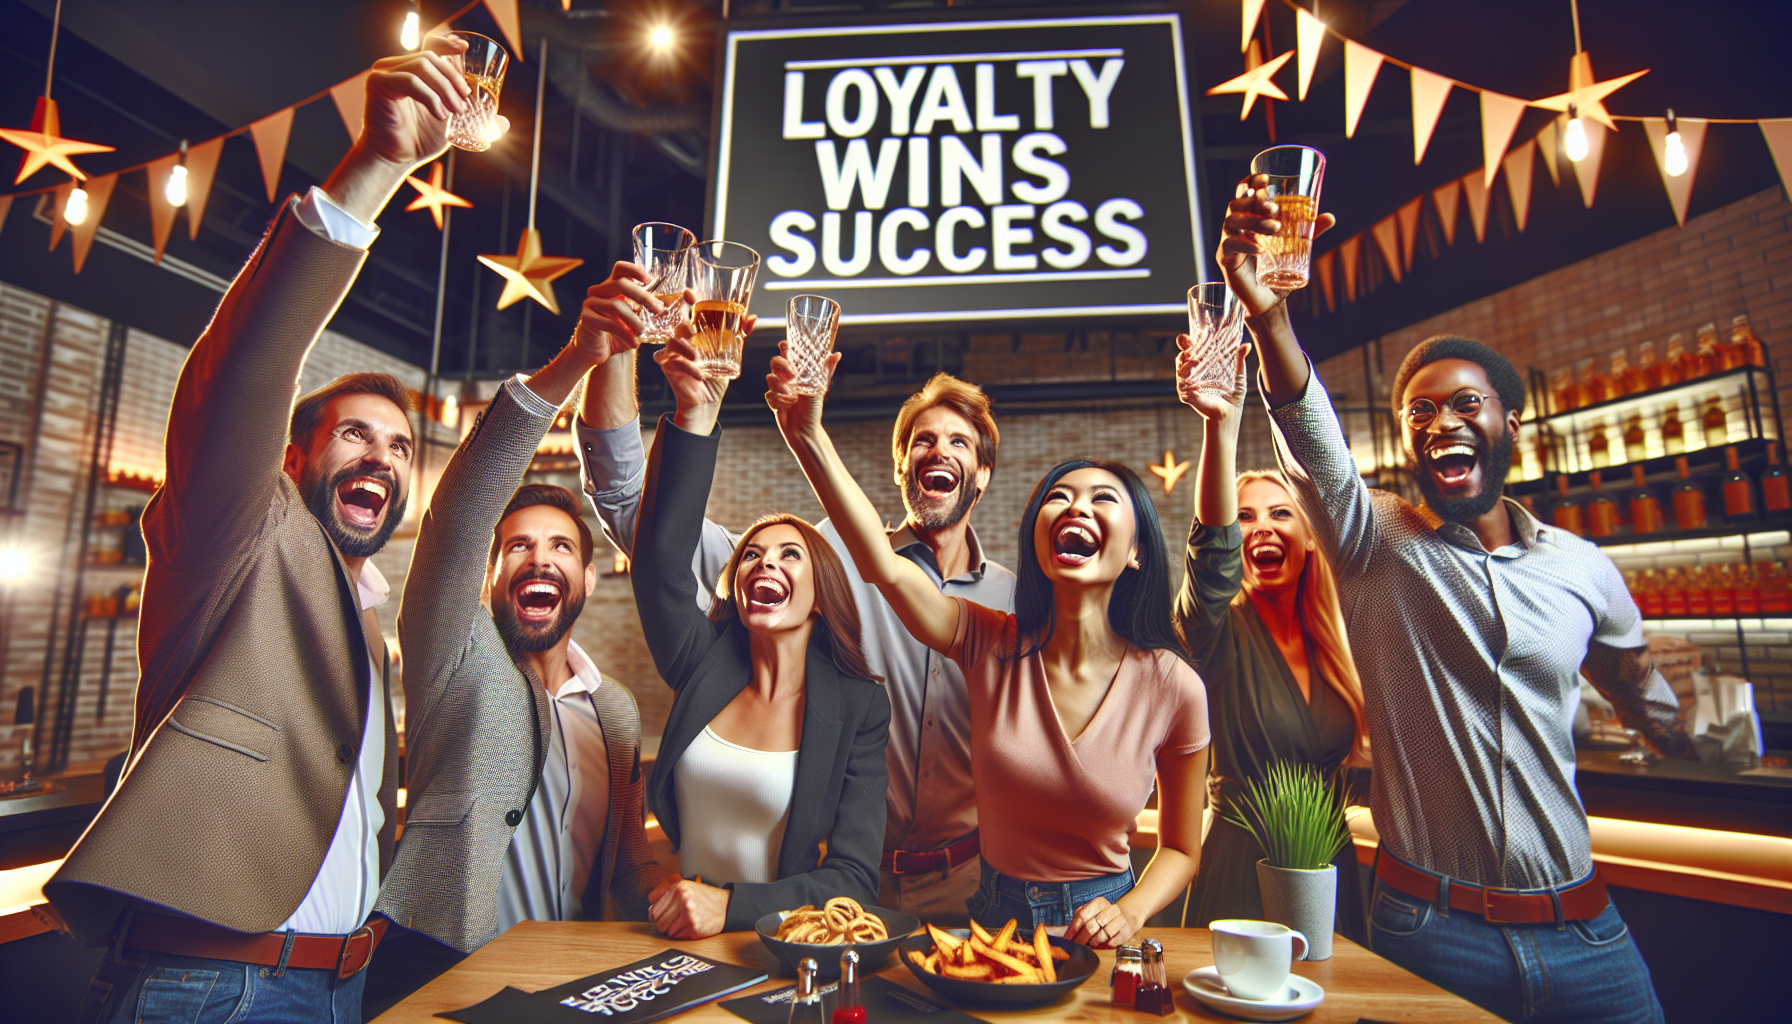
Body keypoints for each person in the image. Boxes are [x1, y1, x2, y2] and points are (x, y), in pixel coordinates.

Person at [45, 36, 474, 1024]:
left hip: (339, 985)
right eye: (352, 437)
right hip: (212, 987)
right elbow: (235, 379)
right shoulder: (243, 532)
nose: (380, 457)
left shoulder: (363, 612)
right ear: (290, 460)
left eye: (401, 447)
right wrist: (372, 169)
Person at [1220, 174, 1690, 1024]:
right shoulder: (1376, 542)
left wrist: (1688, 737)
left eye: (1466, 403)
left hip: (1588, 933)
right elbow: (1307, 426)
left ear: (1511, 423)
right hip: (1429, 929)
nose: (1443, 421)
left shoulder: (1584, 568)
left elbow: (1635, 679)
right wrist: (1269, 316)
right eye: (1420, 411)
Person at [771, 348, 1210, 948]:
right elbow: (884, 567)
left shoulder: (1173, 685)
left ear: (1136, 549)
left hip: (1102, 925)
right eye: (1060, 496)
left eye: (1103, 499)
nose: (1077, 505)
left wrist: (1131, 912)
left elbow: (1183, 847)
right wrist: (807, 436)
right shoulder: (989, 641)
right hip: (990, 914)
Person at [575, 349, 1013, 928]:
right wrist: (677, 400)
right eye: (922, 442)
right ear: (902, 467)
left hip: (969, 875)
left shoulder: (1011, 601)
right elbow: (659, 549)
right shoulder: (824, 556)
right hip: (832, 883)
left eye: (960, 443)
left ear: (982, 473)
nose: (939, 451)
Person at [363, 278, 668, 1014]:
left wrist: (678, 907)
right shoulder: (453, 653)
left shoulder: (614, 711)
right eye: (519, 548)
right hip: (439, 970)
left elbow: (627, 865)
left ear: (589, 580)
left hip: (571, 981)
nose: (540, 560)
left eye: (561, 547)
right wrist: (576, 359)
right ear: (491, 572)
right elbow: (459, 518)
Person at [630, 334, 890, 939]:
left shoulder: (859, 705)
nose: (763, 564)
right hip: (681, 944)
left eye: (789, 555)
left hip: (787, 946)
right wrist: (697, 413)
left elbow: (854, 880)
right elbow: (659, 566)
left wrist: (731, 907)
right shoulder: (703, 663)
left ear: (821, 595)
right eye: (750, 556)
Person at [1173, 340, 1369, 938]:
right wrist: (1220, 427)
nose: (1261, 526)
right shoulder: (1216, 634)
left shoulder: (1342, 641)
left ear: (1311, 538)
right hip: (1240, 865)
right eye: (1246, 516)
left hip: (1330, 865)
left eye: (1280, 514)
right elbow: (1211, 568)